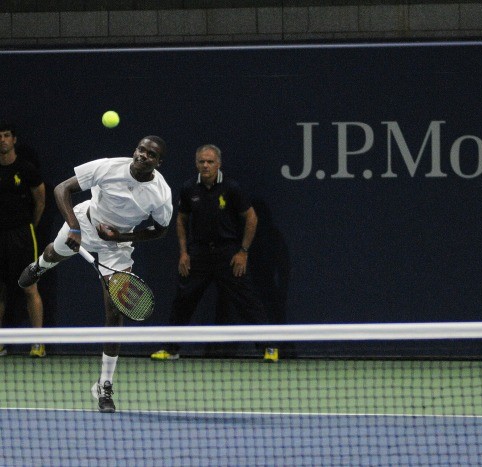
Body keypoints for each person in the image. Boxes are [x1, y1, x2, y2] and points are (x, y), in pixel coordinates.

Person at [18, 136, 172, 413]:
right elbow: (62, 189)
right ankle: (41, 265)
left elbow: (160, 230)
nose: (143, 156)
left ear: (159, 162)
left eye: (151, 154)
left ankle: (105, 384)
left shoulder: (160, 194)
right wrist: (74, 227)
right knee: (54, 254)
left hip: (118, 246)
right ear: (134, 150)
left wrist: (122, 235)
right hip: (85, 224)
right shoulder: (109, 167)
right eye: (140, 149)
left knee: (115, 311)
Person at [150, 144, 277, 362]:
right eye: (202, 161)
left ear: (218, 164)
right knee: (183, 301)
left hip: (228, 254)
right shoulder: (189, 188)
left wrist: (243, 252)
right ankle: (171, 349)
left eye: (210, 162)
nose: (206, 165)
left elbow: (251, 218)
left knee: (247, 301)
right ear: (196, 163)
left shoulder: (231, 188)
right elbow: (181, 219)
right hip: (198, 253)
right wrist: (183, 253)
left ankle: (269, 348)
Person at [0, 121, 46, 357]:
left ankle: (37, 344)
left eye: (6, 135)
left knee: (29, 287)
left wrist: (29, 226)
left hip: (22, 234)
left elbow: (40, 200)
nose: (2, 140)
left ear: (14, 139)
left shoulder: (26, 169)